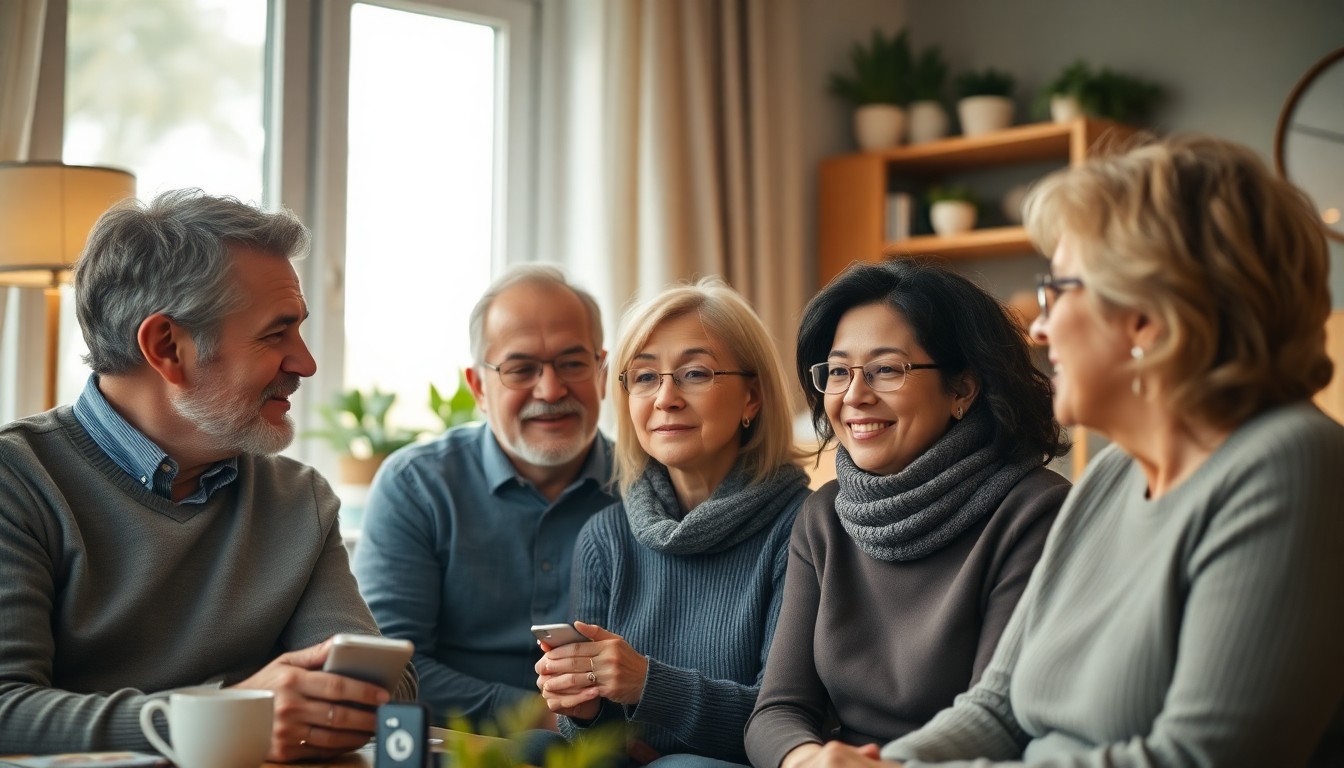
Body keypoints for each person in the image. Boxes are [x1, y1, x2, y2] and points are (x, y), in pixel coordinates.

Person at [874, 135, 1344, 767]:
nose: (1039, 328)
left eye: (1057, 292)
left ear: (1147, 318)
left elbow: (1200, 758)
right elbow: (998, 707)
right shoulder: (1112, 473)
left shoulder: (1292, 464)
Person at [0, 189, 416, 761]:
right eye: (276, 333)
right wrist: (226, 717)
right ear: (166, 346)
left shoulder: (297, 498)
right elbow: (6, 710)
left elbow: (387, 684)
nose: (306, 363)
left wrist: (349, 690)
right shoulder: (17, 482)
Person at [744, 259, 1071, 768]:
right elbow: (779, 709)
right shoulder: (825, 516)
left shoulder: (1034, 510)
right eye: (838, 371)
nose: (854, 395)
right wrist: (807, 761)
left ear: (962, 388)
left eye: (886, 369)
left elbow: (996, 719)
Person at [535, 277, 811, 766]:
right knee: (537, 749)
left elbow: (784, 719)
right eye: (644, 377)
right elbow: (590, 742)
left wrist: (647, 683)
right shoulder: (605, 537)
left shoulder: (802, 528)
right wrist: (582, 708)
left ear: (752, 397)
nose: (665, 398)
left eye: (695, 373)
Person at [353, 265, 616, 729]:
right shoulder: (417, 486)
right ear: (478, 387)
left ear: (602, 372)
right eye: (521, 369)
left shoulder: (650, 489)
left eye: (573, 364)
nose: (551, 389)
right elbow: (390, 669)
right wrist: (543, 720)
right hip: (454, 745)